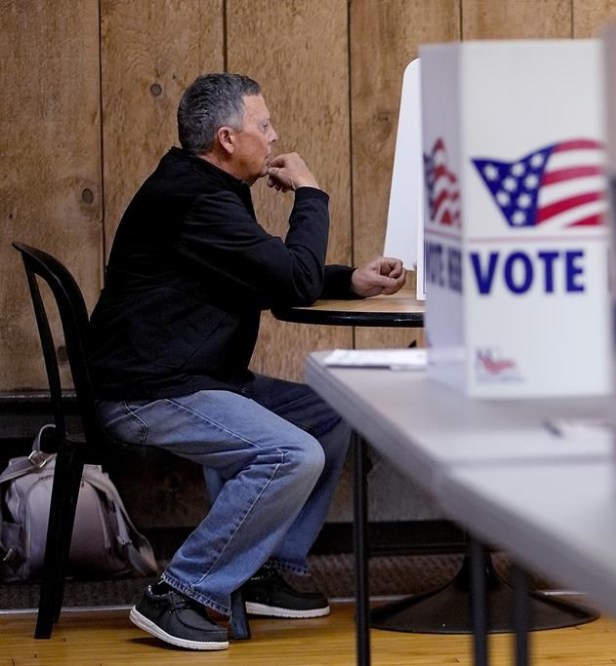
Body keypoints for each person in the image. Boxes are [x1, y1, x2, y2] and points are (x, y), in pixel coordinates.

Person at [86, 72, 406, 651]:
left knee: (332, 411)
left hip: (196, 378)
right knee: (292, 452)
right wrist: (310, 193)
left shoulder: (203, 190)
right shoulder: (195, 199)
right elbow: (289, 276)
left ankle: (264, 569)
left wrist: (348, 281)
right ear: (228, 139)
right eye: (264, 125)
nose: (275, 134)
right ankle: (179, 592)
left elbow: (273, 277)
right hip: (150, 393)